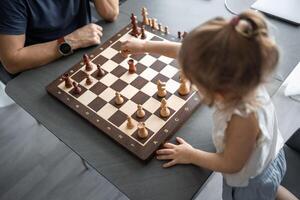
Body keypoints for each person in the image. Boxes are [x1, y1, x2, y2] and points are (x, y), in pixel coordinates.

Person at [121, 10, 298, 200]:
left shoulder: (242, 118)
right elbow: (186, 53)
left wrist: (191, 155)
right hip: (268, 157)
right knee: (270, 188)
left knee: (263, 189)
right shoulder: (244, 73)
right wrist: (144, 45)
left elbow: (231, 164)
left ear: (218, 91)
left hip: (249, 184)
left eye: (196, 82)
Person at [0, 0, 119, 82]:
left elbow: (111, 13)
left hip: (85, 46)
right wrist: (71, 42)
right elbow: (12, 62)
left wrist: (76, 41)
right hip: (40, 66)